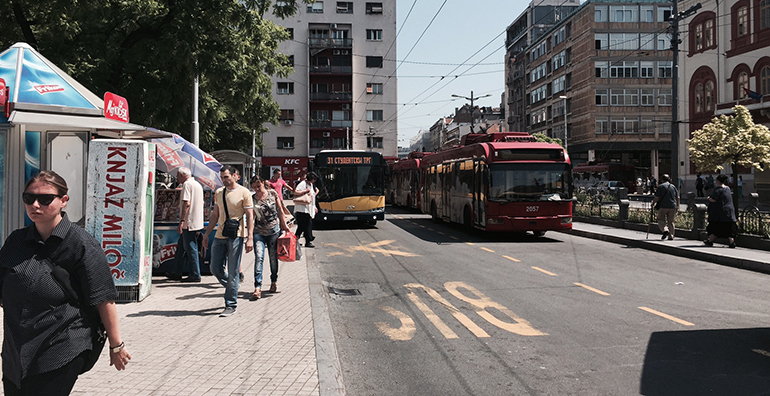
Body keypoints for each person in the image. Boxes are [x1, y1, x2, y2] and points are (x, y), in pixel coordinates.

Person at [0, 171, 131, 395]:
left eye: (45, 199)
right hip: (17, 348)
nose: (35, 205)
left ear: (64, 200)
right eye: (29, 198)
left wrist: (116, 345)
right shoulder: (16, 241)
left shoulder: (80, 244)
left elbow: (103, 297)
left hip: (61, 344)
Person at [203, 165, 254, 317]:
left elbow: (250, 216)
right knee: (215, 268)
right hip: (220, 235)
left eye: (226, 177)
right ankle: (233, 286)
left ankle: (230, 304)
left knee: (233, 270)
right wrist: (206, 234)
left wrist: (249, 237)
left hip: (236, 235)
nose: (224, 180)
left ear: (235, 175)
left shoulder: (244, 192)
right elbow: (215, 214)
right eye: (222, 177)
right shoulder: (219, 192)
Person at [250, 175, 291, 298]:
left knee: (273, 258)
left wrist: (285, 226)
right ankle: (258, 287)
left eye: (258, 186)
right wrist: (249, 236)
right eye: (254, 187)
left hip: (273, 231)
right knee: (259, 257)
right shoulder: (252, 199)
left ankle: (274, 281)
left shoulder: (272, 194)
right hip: (258, 233)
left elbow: (280, 210)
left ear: (263, 183)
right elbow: (251, 217)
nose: (257, 189)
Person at [167, 167, 204, 282]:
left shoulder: (187, 185)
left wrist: (182, 221)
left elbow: (186, 204)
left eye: (178, 176)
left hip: (189, 222)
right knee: (182, 246)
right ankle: (176, 271)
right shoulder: (197, 185)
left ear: (182, 175)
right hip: (196, 221)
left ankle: (195, 274)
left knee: (190, 247)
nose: (177, 178)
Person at [704, 174, 737, 248]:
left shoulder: (718, 189)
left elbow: (714, 199)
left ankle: (710, 240)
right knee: (728, 228)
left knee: (713, 227)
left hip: (719, 213)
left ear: (717, 181)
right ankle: (732, 242)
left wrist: (708, 198)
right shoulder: (727, 188)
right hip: (729, 212)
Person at [652, 174, 680, 241]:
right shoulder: (673, 186)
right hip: (673, 206)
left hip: (663, 206)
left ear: (662, 180)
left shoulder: (660, 187)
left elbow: (656, 197)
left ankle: (665, 230)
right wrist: (677, 206)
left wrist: (653, 203)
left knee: (660, 219)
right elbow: (678, 197)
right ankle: (671, 235)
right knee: (671, 221)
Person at [294, 172, 319, 248]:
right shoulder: (303, 184)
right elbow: (295, 192)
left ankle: (295, 239)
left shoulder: (310, 185)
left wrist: (314, 206)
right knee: (307, 225)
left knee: (301, 226)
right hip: (302, 208)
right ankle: (308, 240)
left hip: (308, 208)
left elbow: (312, 196)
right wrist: (305, 191)